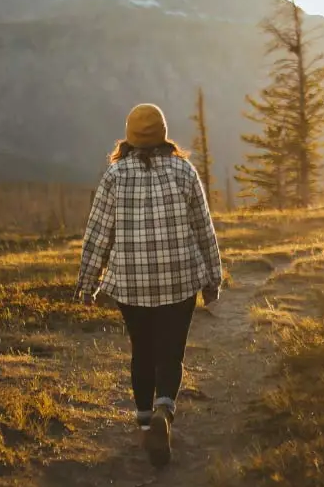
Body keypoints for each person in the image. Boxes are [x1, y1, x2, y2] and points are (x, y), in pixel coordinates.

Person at [74, 103, 223, 467]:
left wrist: (87, 283)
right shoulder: (183, 170)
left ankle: (144, 425)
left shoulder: (114, 175)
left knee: (142, 351)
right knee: (171, 353)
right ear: (163, 133)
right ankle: (164, 412)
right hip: (180, 278)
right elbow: (204, 228)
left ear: (129, 136)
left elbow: (97, 234)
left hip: (132, 283)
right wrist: (212, 279)